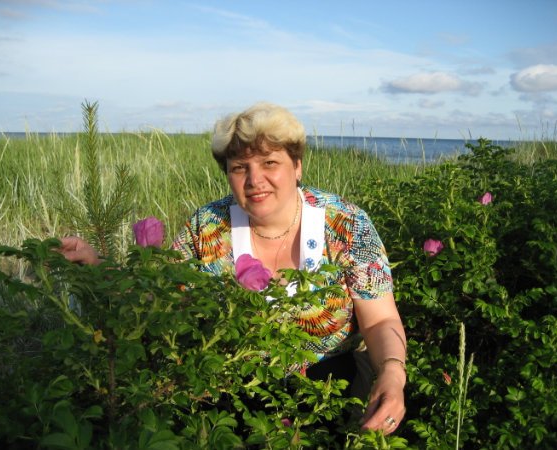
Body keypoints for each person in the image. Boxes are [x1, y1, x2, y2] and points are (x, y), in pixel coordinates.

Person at [58, 102, 407, 435]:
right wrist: (96, 265)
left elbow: (380, 320)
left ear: (297, 166)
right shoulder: (207, 226)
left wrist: (392, 373)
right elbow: (158, 297)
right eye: (240, 167)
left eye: (269, 162)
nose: (255, 179)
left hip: (332, 388)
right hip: (229, 391)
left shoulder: (346, 223)